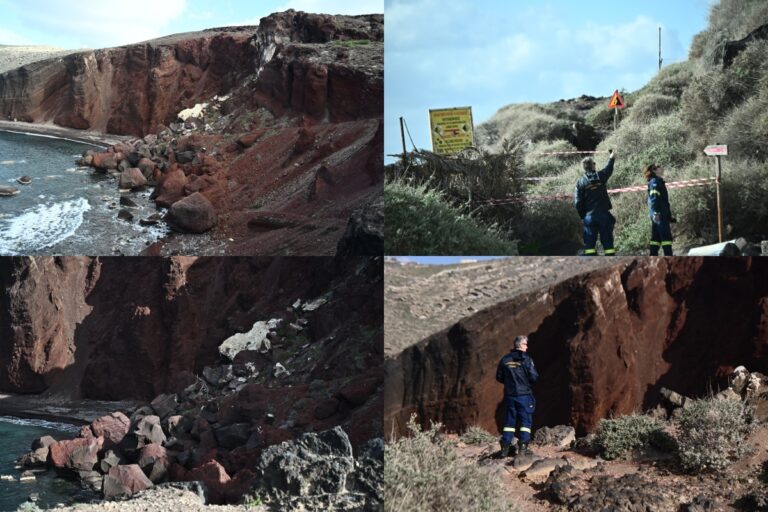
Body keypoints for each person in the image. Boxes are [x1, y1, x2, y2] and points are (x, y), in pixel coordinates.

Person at [496, 335, 538, 457]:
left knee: (509, 421)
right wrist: (524, 383)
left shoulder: (505, 360)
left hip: (510, 396)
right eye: (525, 344)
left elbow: (499, 377)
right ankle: (523, 449)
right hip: (524, 395)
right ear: (520, 345)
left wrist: (510, 384)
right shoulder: (526, 359)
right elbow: (534, 377)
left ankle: (505, 448)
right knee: (526, 421)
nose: (527, 347)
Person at [574, 149, 616, 255]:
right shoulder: (600, 176)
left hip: (589, 217)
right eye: (594, 163)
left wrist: (583, 216)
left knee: (589, 245)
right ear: (592, 166)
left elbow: (578, 202)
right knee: (608, 242)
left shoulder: (580, 182)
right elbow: (608, 169)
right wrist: (611, 158)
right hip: (603, 215)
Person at [644, 163, 675, 255]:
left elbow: (663, 201)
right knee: (666, 238)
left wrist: (669, 216)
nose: (662, 167)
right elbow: (654, 198)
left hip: (660, 214)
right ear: (655, 170)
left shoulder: (658, 181)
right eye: (659, 166)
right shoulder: (655, 181)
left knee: (656, 239)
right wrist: (656, 213)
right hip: (659, 214)